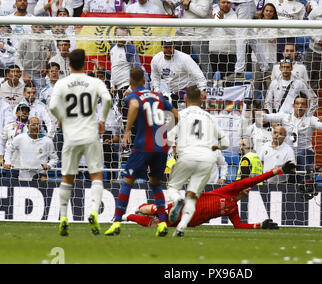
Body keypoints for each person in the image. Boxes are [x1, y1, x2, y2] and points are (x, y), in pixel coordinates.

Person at [104, 67, 179, 237]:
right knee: (155, 183)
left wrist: (128, 130)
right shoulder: (158, 96)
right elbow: (176, 115)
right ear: (145, 80)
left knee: (127, 180)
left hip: (144, 145)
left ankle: (116, 222)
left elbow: (135, 105)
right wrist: (163, 131)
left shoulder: (133, 95)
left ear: (131, 81)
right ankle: (162, 223)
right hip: (161, 146)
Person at [49, 49, 112, 236]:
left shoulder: (62, 83)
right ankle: (93, 211)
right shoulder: (95, 81)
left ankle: (63, 217)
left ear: (68, 64)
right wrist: (102, 120)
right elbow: (107, 99)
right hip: (90, 135)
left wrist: (62, 118)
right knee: (96, 176)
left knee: (67, 177)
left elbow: (52, 106)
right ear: (85, 63)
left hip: (71, 136)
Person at [123, 164, 296, 230]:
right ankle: (137, 209)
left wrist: (260, 225)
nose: (248, 189)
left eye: (249, 190)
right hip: (186, 206)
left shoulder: (232, 208)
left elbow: (239, 225)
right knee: (159, 212)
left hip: (190, 222)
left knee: (156, 225)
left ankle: (130, 216)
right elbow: (253, 179)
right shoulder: (228, 190)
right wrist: (278, 170)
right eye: (247, 188)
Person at [166, 85, 229, 237]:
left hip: (187, 155)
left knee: (172, 188)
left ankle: (177, 199)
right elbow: (226, 143)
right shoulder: (210, 117)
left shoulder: (180, 115)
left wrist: (175, 146)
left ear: (185, 98)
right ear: (201, 99)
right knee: (192, 196)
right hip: (207, 158)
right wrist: (216, 146)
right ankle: (181, 227)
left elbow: (168, 138)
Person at [150, 41, 207, 109]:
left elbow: (198, 74)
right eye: (166, 47)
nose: (169, 50)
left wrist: (203, 89)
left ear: (174, 47)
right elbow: (155, 76)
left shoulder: (184, 58)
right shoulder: (156, 59)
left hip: (189, 91)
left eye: (170, 47)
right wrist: (157, 89)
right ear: (161, 47)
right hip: (173, 92)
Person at [3, 116, 58, 181]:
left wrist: (49, 165)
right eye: (33, 125)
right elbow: (9, 150)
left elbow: (54, 159)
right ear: (28, 126)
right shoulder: (20, 138)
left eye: (38, 125)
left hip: (41, 178)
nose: (36, 127)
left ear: (40, 127)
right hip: (24, 178)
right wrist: (7, 162)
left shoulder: (47, 141)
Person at [14, 24, 56, 91]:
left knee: (41, 96)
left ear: (43, 28)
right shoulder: (25, 39)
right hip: (26, 72)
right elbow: (17, 56)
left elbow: (54, 54)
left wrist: (47, 67)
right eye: (36, 26)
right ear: (31, 27)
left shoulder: (48, 39)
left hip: (41, 74)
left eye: (40, 26)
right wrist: (23, 73)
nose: (38, 29)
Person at [209, 0, 237, 80]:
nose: (225, 4)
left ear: (231, 4)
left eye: (228, 3)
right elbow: (207, 32)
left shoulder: (235, 16)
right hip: (213, 52)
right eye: (223, 2)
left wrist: (222, 21)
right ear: (218, 4)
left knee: (227, 81)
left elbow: (234, 32)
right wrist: (209, 23)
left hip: (228, 54)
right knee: (209, 78)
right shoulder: (212, 14)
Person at [0, 103, 30, 173]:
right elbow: (2, 143)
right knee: (7, 182)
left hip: (25, 163)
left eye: (26, 111)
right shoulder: (9, 126)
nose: (24, 112)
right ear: (16, 112)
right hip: (10, 161)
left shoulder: (32, 128)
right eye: (22, 110)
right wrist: (1, 158)